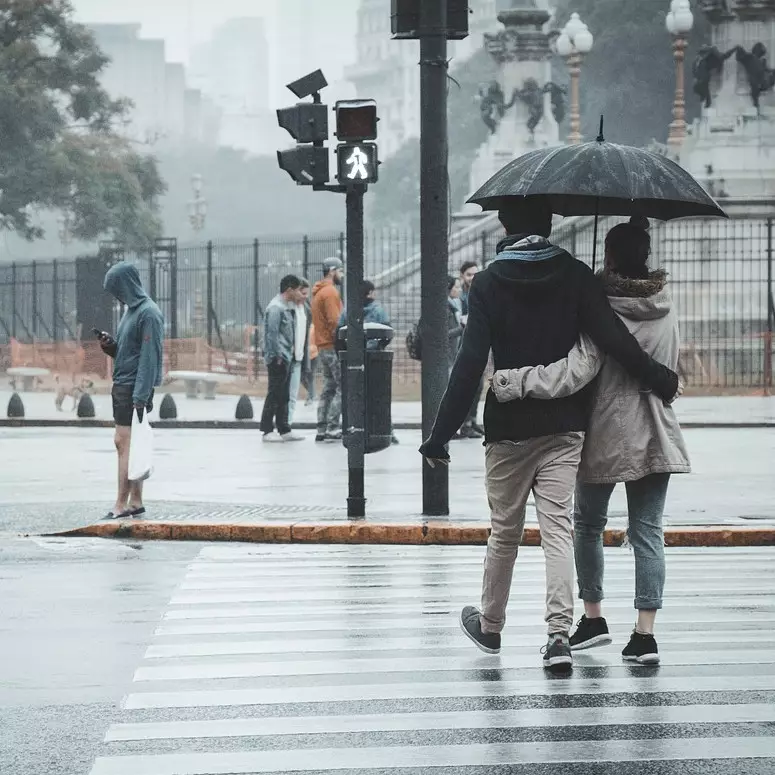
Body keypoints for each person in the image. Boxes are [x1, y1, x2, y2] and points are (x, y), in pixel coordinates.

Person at [419, 197, 680, 672]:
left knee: (505, 531)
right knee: (558, 530)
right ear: (551, 223)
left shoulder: (489, 282)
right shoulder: (577, 275)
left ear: (503, 224)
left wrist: (439, 435)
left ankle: (491, 626)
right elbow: (612, 339)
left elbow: (470, 364)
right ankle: (558, 637)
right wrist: (657, 376)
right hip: (565, 425)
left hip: (508, 428)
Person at [490, 217, 690, 665]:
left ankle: (594, 617)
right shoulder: (666, 301)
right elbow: (672, 363)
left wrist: (517, 382)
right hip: (657, 429)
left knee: (586, 526)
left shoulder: (602, 306)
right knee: (648, 533)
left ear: (611, 256)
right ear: (647, 256)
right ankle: (644, 635)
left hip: (605, 429)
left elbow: (580, 368)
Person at [98, 262, 164, 520]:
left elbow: (149, 358)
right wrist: (111, 348)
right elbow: (130, 352)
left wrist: (140, 396)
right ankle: (135, 501)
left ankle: (120, 504)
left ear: (127, 284)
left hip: (133, 388)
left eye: (116, 288)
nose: (116, 295)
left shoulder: (149, 313)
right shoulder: (131, 313)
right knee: (131, 445)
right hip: (126, 384)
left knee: (122, 443)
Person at [338, 281, 399, 444]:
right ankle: (386, 429)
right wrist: (379, 346)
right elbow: (388, 332)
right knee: (379, 396)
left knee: (355, 394)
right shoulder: (378, 310)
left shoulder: (349, 310)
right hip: (375, 358)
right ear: (371, 293)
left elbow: (338, 332)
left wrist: (348, 349)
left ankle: (355, 428)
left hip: (354, 357)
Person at [261, 274, 305, 442]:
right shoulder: (276, 308)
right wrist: (276, 356)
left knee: (284, 394)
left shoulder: (286, 307)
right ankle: (267, 429)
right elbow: (271, 335)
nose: (299, 294)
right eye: (297, 290)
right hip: (278, 358)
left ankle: (284, 428)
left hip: (286, 356)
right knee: (274, 393)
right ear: (289, 290)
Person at [312, 257, 344, 442]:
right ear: (332, 271)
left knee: (328, 387)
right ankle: (333, 426)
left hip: (321, 346)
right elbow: (335, 321)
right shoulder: (330, 292)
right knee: (342, 386)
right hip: (332, 346)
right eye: (340, 271)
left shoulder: (318, 292)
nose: (342, 275)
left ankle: (321, 427)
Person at [458, 261, 485, 439]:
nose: (472, 278)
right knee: (466, 387)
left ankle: (472, 421)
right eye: (469, 274)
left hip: (477, 344)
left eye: (475, 274)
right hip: (463, 346)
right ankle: (465, 424)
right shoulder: (459, 296)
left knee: (479, 385)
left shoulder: (480, 292)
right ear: (462, 276)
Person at [288, 278, 312, 424]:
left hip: (298, 357)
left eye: (307, 294)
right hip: (286, 357)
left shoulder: (306, 310)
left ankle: (287, 425)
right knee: (281, 395)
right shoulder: (286, 308)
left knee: (292, 395)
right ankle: (278, 425)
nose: (305, 296)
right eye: (302, 293)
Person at [301, 323, 319, 406]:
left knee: (310, 376)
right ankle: (312, 393)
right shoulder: (302, 326)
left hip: (313, 354)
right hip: (304, 355)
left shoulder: (314, 327)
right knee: (302, 377)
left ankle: (310, 397)